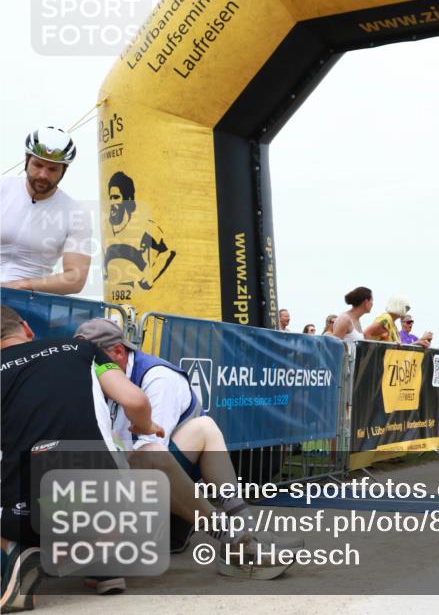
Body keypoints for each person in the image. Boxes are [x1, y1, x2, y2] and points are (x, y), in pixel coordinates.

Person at [73, 318, 300, 580]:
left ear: (118, 352)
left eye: (98, 362)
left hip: (152, 488)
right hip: (126, 495)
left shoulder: (158, 378)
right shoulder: (102, 381)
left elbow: (149, 451)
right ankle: (238, 536)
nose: (94, 370)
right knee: (199, 431)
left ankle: (243, 532)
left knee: (198, 430)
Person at [1, 306, 161, 609]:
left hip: (26, 517)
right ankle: (106, 565)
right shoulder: (81, 349)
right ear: (26, 328)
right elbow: (134, 400)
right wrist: (145, 425)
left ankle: (22, 550)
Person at [1, 127, 91, 295]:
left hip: (27, 301)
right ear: (26, 160)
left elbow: (75, 278)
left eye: (52, 169)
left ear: (64, 170)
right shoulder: (3, 188)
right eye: (38, 165)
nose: (43, 174)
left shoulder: (77, 213)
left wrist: (20, 285)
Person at [103, 170, 175, 296]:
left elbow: (168, 251)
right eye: (110, 198)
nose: (112, 203)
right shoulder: (106, 230)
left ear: (128, 200)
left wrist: (150, 274)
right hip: (116, 308)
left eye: (116, 197)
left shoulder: (144, 227)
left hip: (143, 305)